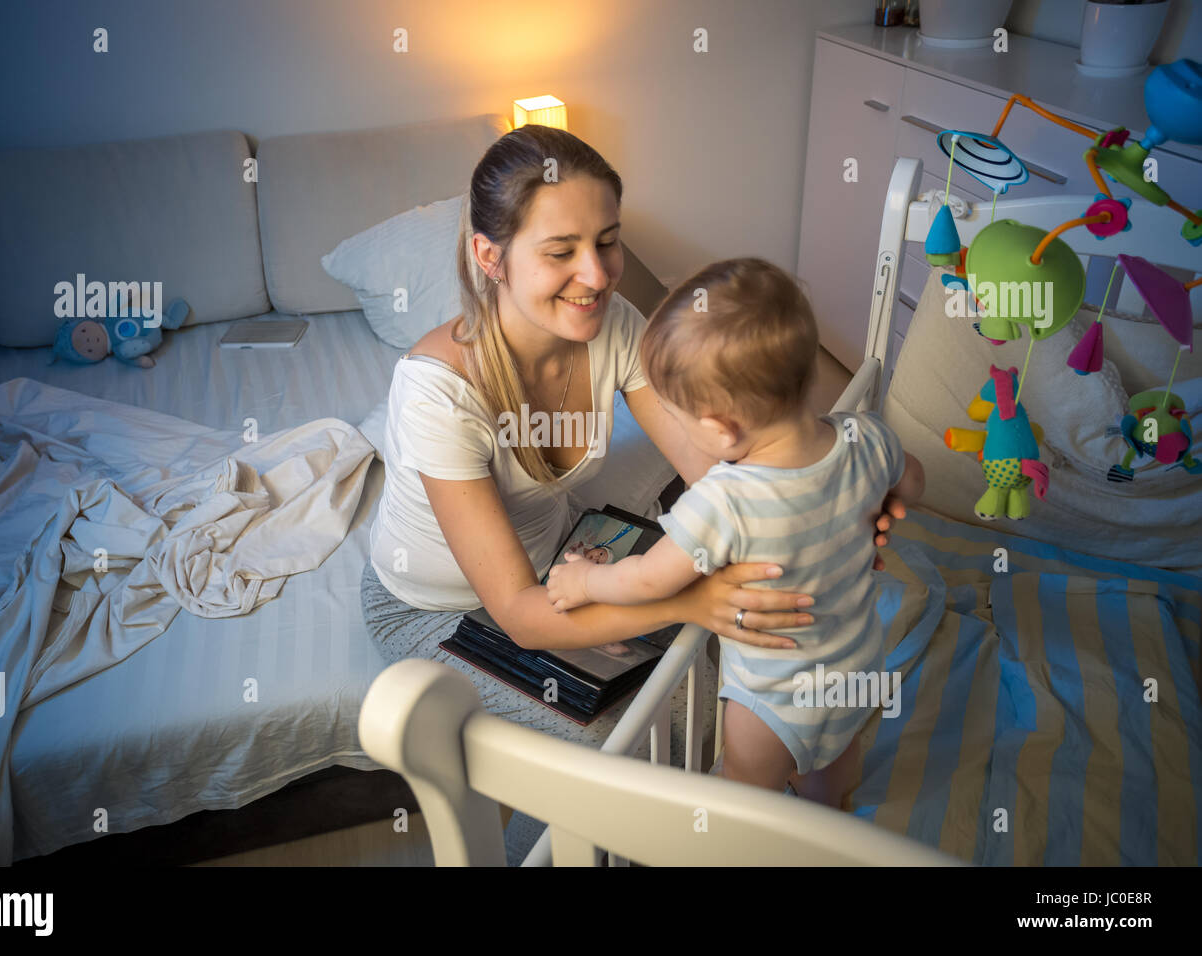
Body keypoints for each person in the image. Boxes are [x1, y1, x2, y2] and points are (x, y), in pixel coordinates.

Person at [360, 127, 907, 863]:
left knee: (726, 688)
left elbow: (718, 463)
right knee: (653, 748)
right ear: (490, 256)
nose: (597, 274)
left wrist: (830, 505)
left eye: (608, 241)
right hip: (436, 612)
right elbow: (519, 616)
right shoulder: (437, 392)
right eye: (561, 252)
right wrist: (689, 604)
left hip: (558, 552)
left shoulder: (612, 327)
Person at [547, 258, 925, 808]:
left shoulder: (724, 501)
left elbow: (650, 580)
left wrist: (584, 583)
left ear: (722, 428)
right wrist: (884, 500)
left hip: (773, 700)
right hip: (857, 665)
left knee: (742, 798)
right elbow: (912, 479)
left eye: (679, 416)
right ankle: (830, 809)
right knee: (834, 767)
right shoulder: (867, 438)